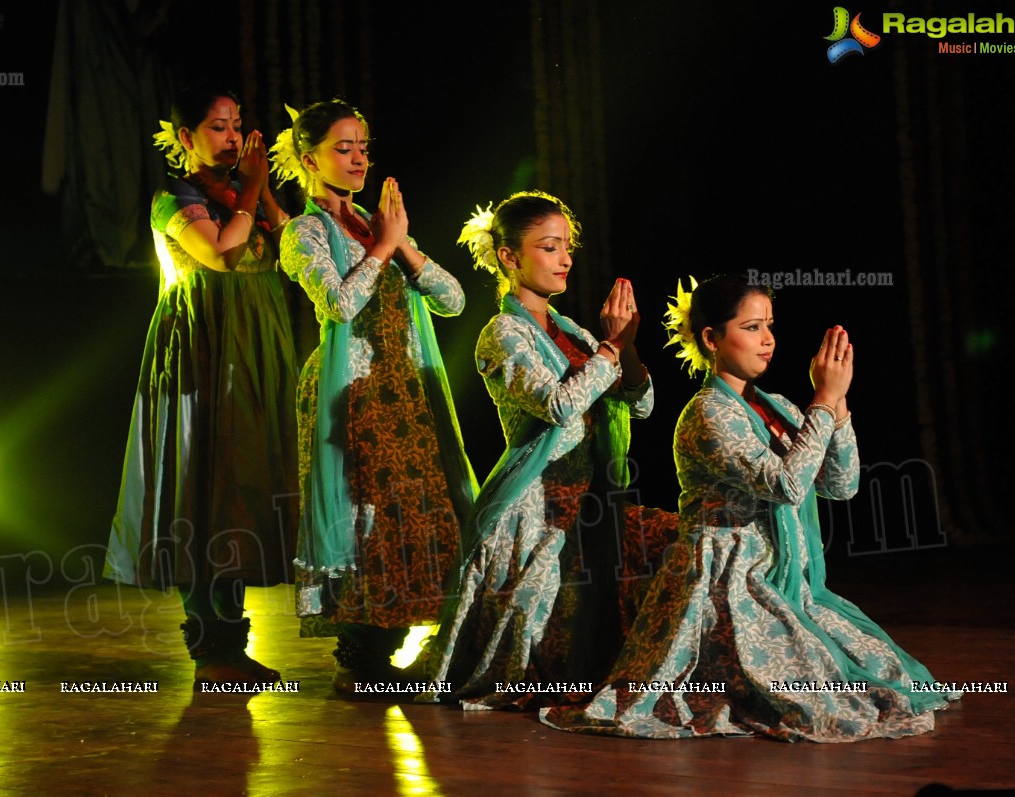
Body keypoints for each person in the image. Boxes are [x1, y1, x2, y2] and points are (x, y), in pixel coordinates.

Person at [541, 273, 960, 740]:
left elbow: (840, 485)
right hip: (729, 580)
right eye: (752, 327)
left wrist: (837, 408)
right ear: (711, 338)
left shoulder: (776, 406)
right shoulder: (707, 413)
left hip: (780, 576)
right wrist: (822, 401)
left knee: (881, 672)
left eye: (770, 326)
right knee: (812, 696)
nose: (768, 340)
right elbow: (785, 485)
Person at [416, 191, 677, 710]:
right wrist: (608, 350)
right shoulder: (502, 333)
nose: (565, 259)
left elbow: (641, 403)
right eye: (550, 247)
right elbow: (558, 406)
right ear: (509, 257)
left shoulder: (570, 330)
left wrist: (626, 345)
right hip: (533, 506)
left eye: (567, 247)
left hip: (589, 498)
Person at [269, 100, 477, 690]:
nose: (359, 158)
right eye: (343, 148)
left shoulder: (378, 223)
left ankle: (388, 650)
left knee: (414, 509)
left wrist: (402, 245)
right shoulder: (303, 232)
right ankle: (360, 657)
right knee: (367, 517)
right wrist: (384, 248)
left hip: (404, 386)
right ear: (309, 159)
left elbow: (453, 300)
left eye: (363, 146)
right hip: (352, 392)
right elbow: (337, 304)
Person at [105, 85, 299, 689]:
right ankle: (208, 643)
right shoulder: (177, 196)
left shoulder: (248, 195)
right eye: (218, 126)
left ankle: (232, 641)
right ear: (186, 137)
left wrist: (262, 189)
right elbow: (219, 256)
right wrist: (248, 190)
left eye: (238, 124)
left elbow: (296, 252)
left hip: (257, 350)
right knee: (202, 485)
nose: (233, 136)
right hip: (201, 350)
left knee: (243, 484)